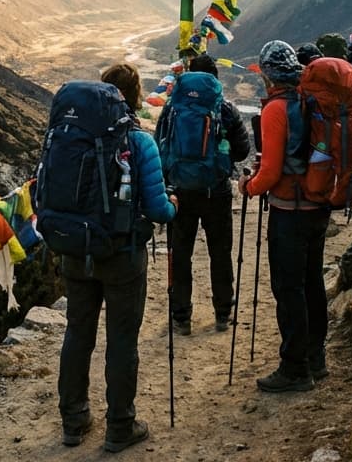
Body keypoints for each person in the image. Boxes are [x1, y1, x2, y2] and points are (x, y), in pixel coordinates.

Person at [57, 63, 178, 452]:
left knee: (78, 332)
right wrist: (172, 205)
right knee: (122, 341)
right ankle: (120, 427)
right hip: (122, 255)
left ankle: (73, 422)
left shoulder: (68, 136)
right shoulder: (139, 141)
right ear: (135, 94)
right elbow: (159, 210)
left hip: (76, 251)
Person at [237, 41, 330, 394]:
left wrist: (249, 186)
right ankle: (315, 357)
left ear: (266, 73)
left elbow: (271, 172)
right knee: (311, 282)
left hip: (289, 211)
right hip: (318, 205)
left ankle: (295, 368)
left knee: (288, 288)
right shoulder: (311, 100)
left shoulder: (277, 109)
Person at [168, 53, 250, 336]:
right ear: (215, 79)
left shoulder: (173, 107)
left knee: (180, 253)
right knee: (220, 252)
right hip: (216, 191)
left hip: (181, 191)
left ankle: (181, 317)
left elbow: (162, 146)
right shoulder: (225, 108)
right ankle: (223, 313)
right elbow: (242, 150)